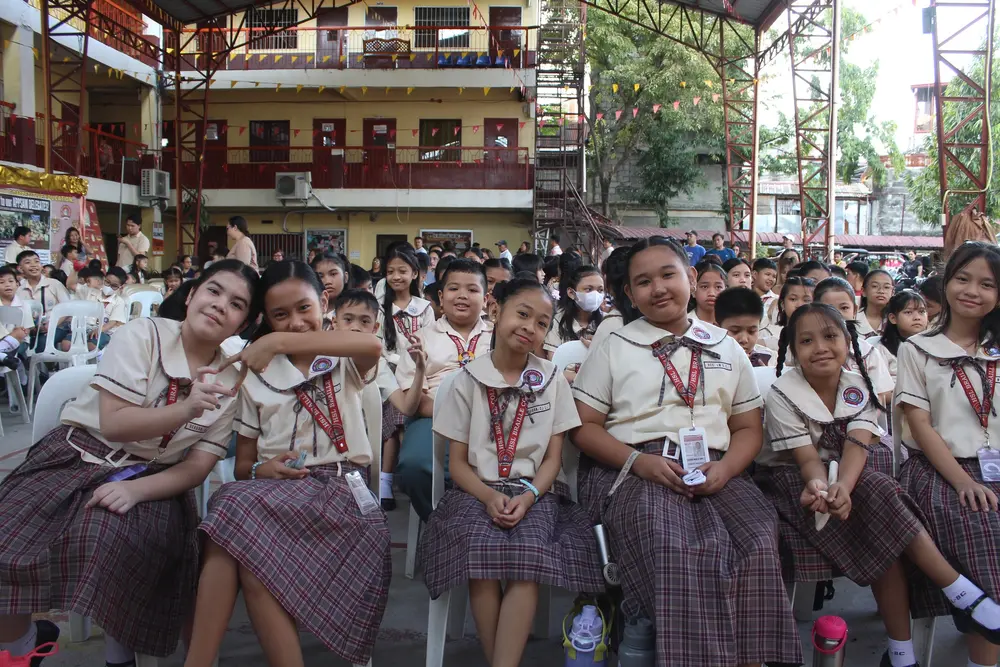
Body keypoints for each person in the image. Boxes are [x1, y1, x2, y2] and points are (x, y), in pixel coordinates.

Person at [0, 260, 258, 664]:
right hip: (73, 454)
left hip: (152, 480)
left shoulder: (233, 381)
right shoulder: (143, 334)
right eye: (213, 290)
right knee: (9, 534)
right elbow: (115, 424)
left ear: (242, 324)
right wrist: (186, 409)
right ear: (191, 296)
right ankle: (21, 646)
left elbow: (196, 468)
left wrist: (133, 490)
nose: (220, 305)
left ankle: (119, 657)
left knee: (112, 539)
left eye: (237, 303)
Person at [570, 236, 802, 667]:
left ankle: (748, 660)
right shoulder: (616, 344)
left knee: (757, 538)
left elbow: (748, 427)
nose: (657, 288)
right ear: (629, 293)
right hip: (633, 464)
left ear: (691, 278)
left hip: (716, 464)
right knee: (678, 544)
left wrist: (728, 469)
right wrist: (639, 462)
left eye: (668, 275)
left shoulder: (724, 344)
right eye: (643, 281)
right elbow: (583, 427)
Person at [762, 302, 996, 667]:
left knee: (878, 497)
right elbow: (806, 459)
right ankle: (959, 591)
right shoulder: (781, 393)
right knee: (882, 511)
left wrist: (845, 488)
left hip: (852, 473)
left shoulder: (859, 384)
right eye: (806, 340)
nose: (820, 347)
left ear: (849, 342)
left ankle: (903, 653)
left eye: (830, 336)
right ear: (792, 350)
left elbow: (857, 445)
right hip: (801, 481)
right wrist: (825, 488)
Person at [184, 261, 388, 667]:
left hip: (339, 492)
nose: (295, 323)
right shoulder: (255, 377)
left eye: (304, 309)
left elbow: (374, 347)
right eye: (280, 316)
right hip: (273, 495)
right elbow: (244, 466)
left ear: (324, 302)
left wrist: (276, 342)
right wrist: (264, 470)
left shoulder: (342, 356)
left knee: (233, 517)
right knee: (242, 529)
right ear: (265, 317)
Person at [420, 277, 604, 667]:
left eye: (541, 323)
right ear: (495, 311)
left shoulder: (552, 380)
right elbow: (457, 464)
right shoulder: (466, 381)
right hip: (475, 490)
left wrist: (529, 496)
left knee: (528, 554)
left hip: (535, 491)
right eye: (522, 314)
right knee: (479, 553)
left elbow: (554, 460)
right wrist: (488, 496)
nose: (530, 328)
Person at [895, 241, 1000, 667]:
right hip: (939, 469)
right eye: (963, 278)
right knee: (985, 527)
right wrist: (963, 480)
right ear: (946, 280)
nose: (972, 290)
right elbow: (920, 426)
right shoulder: (917, 349)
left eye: (987, 284)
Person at [395, 259, 493, 520]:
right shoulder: (421, 338)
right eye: (453, 289)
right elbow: (414, 402)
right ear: (440, 296)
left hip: (492, 420)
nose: (462, 295)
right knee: (415, 466)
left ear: (485, 298)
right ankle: (438, 523)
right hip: (434, 420)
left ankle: (480, 522)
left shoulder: (497, 337)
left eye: (472, 290)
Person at [378, 248, 434, 510]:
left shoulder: (424, 308)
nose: (396, 276)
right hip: (387, 374)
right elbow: (378, 348)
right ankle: (387, 479)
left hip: (417, 373)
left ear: (415, 274)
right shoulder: (380, 308)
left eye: (402, 271)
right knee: (396, 411)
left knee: (404, 412)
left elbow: (430, 347)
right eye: (390, 272)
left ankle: (393, 476)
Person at [543, 265, 604, 357]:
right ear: (571, 293)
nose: (595, 294)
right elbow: (555, 362)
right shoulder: (557, 321)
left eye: (600, 290)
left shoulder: (606, 322)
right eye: (589, 289)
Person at [870, 289, 928, 381]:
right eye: (908, 312)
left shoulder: (933, 347)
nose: (917, 317)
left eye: (921, 312)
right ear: (893, 318)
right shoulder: (881, 349)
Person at [716, 287, 774, 367]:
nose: (744, 339)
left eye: (751, 331)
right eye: (735, 331)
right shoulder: (707, 359)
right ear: (716, 328)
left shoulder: (771, 359)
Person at [760, 276, 815, 351]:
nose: (799, 305)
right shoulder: (770, 336)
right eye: (793, 299)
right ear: (783, 304)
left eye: (806, 300)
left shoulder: (820, 338)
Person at [310, 252, 351, 326]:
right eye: (320, 276)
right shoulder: (309, 311)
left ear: (345, 277)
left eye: (333, 274)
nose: (327, 281)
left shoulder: (356, 310)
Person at [858, 269, 893, 339]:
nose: (881, 291)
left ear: (892, 292)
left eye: (886, 287)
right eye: (875, 286)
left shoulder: (895, 321)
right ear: (863, 291)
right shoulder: (853, 320)